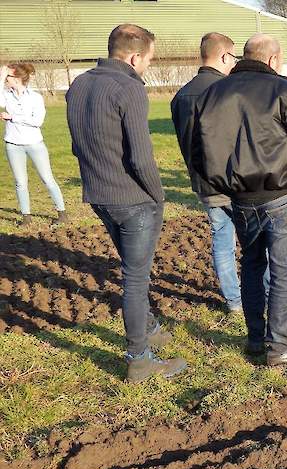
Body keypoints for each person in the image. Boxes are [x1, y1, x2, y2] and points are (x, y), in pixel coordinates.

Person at [192, 34, 287, 367]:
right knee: (283, 272)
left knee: (251, 265)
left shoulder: (212, 94)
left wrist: (224, 185)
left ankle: (255, 339)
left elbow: (201, 152)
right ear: (273, 60)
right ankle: (278, 346)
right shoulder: (283, 90)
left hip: (240, 198)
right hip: (281, 195)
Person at [66, 24, 187, 381]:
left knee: (132, 270)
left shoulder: (80, 83)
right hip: (133, 200)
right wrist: (157, 195)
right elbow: (141, 157)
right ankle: (139, 357)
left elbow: (77, 145)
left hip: (98, 195)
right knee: (135, 279)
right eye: (149, 59)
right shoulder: (130, 88)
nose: (148, 65)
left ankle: (147, 328)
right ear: (135, 57)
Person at [171, 32, 250, 314]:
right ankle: (263, 294)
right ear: (225, 56)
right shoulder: (229, 90)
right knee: (256, 242)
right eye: (233, 57)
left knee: (222, 241)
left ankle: (234, 302)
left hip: (204, 184)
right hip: (236, 183)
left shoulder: (180, 96)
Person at [1, 63, 67, 228]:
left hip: (34, 144)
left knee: (47, 179)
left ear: (16, 79)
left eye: (8, 78)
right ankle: (26, 218)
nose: (5, 81)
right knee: (20, 182)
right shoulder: (7, 95)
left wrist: (13, 117)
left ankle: (62, 213)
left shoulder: (35, 97)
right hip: (13, 144)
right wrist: (2, 73)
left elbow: (37, 121)